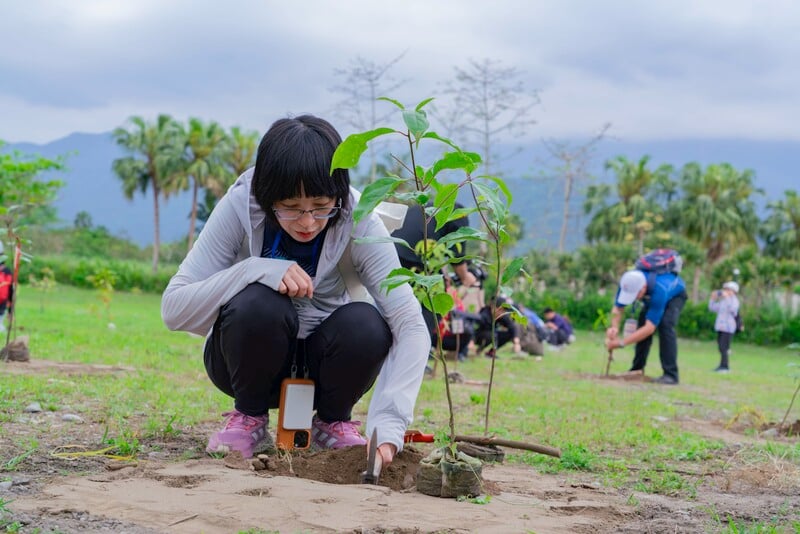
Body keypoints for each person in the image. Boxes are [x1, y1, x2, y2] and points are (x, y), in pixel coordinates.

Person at [161, 115, 430, 465]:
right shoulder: (241, 204)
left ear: (339, 196)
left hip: (329, 368)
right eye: (290, 208)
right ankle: (249, 419)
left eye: (321, 207)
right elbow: (173, 308)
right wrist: (254, 270)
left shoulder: (358, 216)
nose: (307, 222)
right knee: (258, 301)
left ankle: (333, 422)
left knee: (367, 322)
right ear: (267, 196)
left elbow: (410, 324)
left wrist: (388, 428)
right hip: (245, 363)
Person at [391, 202, 479, 340]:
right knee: (434, 301)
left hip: (390, 249)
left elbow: (436, 251)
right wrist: (466, 277)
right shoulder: (459, 215)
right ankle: (419, 346)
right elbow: (458, 259)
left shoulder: (428, 206)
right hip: (413, 257)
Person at [605, 268, 688, 385]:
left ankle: (671, 375)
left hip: (675, 295)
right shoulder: (627, 282)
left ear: (643, 287)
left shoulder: (660, 290)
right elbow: (618, 308)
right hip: (652, 294)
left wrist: (621, 343)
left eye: (635, 295)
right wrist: (614, 328)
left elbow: (649, 328)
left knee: (665, 325)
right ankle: (636, 369)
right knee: (642, 324)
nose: (633, 298)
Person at [708, 281, 740, 373]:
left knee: (724, 347)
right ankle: (722, 365)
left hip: (728, 328)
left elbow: (733, 310)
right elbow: (712, 308)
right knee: (720, 347)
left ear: (733, 291)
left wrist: (727, 297)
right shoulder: (723, 300)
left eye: (728, 289)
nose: (726, 291)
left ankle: (725, 367)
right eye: (725, 289)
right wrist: (713, 298)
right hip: (720, 326)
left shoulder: (734, 300)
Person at [0, 241, 13, 334]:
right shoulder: (7, 272)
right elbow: (11, 291)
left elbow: (11, 291)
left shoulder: (7, 272)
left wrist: (10, 310)